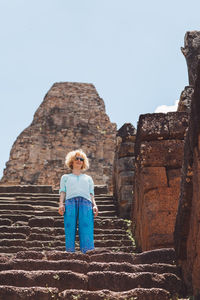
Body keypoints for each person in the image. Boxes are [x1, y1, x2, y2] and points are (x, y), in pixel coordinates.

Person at [58, 149, 98, 253]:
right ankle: (70, 253)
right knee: (69, 227)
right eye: (77, 158)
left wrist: (94, 205)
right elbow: (62, 191)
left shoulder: (88, 178)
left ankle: (87, 253)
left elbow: (91, 193)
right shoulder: (65, 177)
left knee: (86, 227)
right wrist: (61, 204)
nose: (79, 160)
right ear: (72, 161)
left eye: (81, 159)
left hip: (86, 203)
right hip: (70, 202)